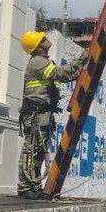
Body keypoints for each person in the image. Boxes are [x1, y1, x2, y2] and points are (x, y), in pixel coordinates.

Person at [16, 30, 89, 200]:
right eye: (43, 39)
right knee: (32, 149)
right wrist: (80, 59)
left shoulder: (44, 62)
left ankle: (33, 185)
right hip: (36, 114)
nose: (47, 40)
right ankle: (26, 187)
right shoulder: (38, 63)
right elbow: (60, 74)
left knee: (39, 151)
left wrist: (79, 70)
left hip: (43, 114)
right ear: (38, 46)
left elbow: (63, 76)